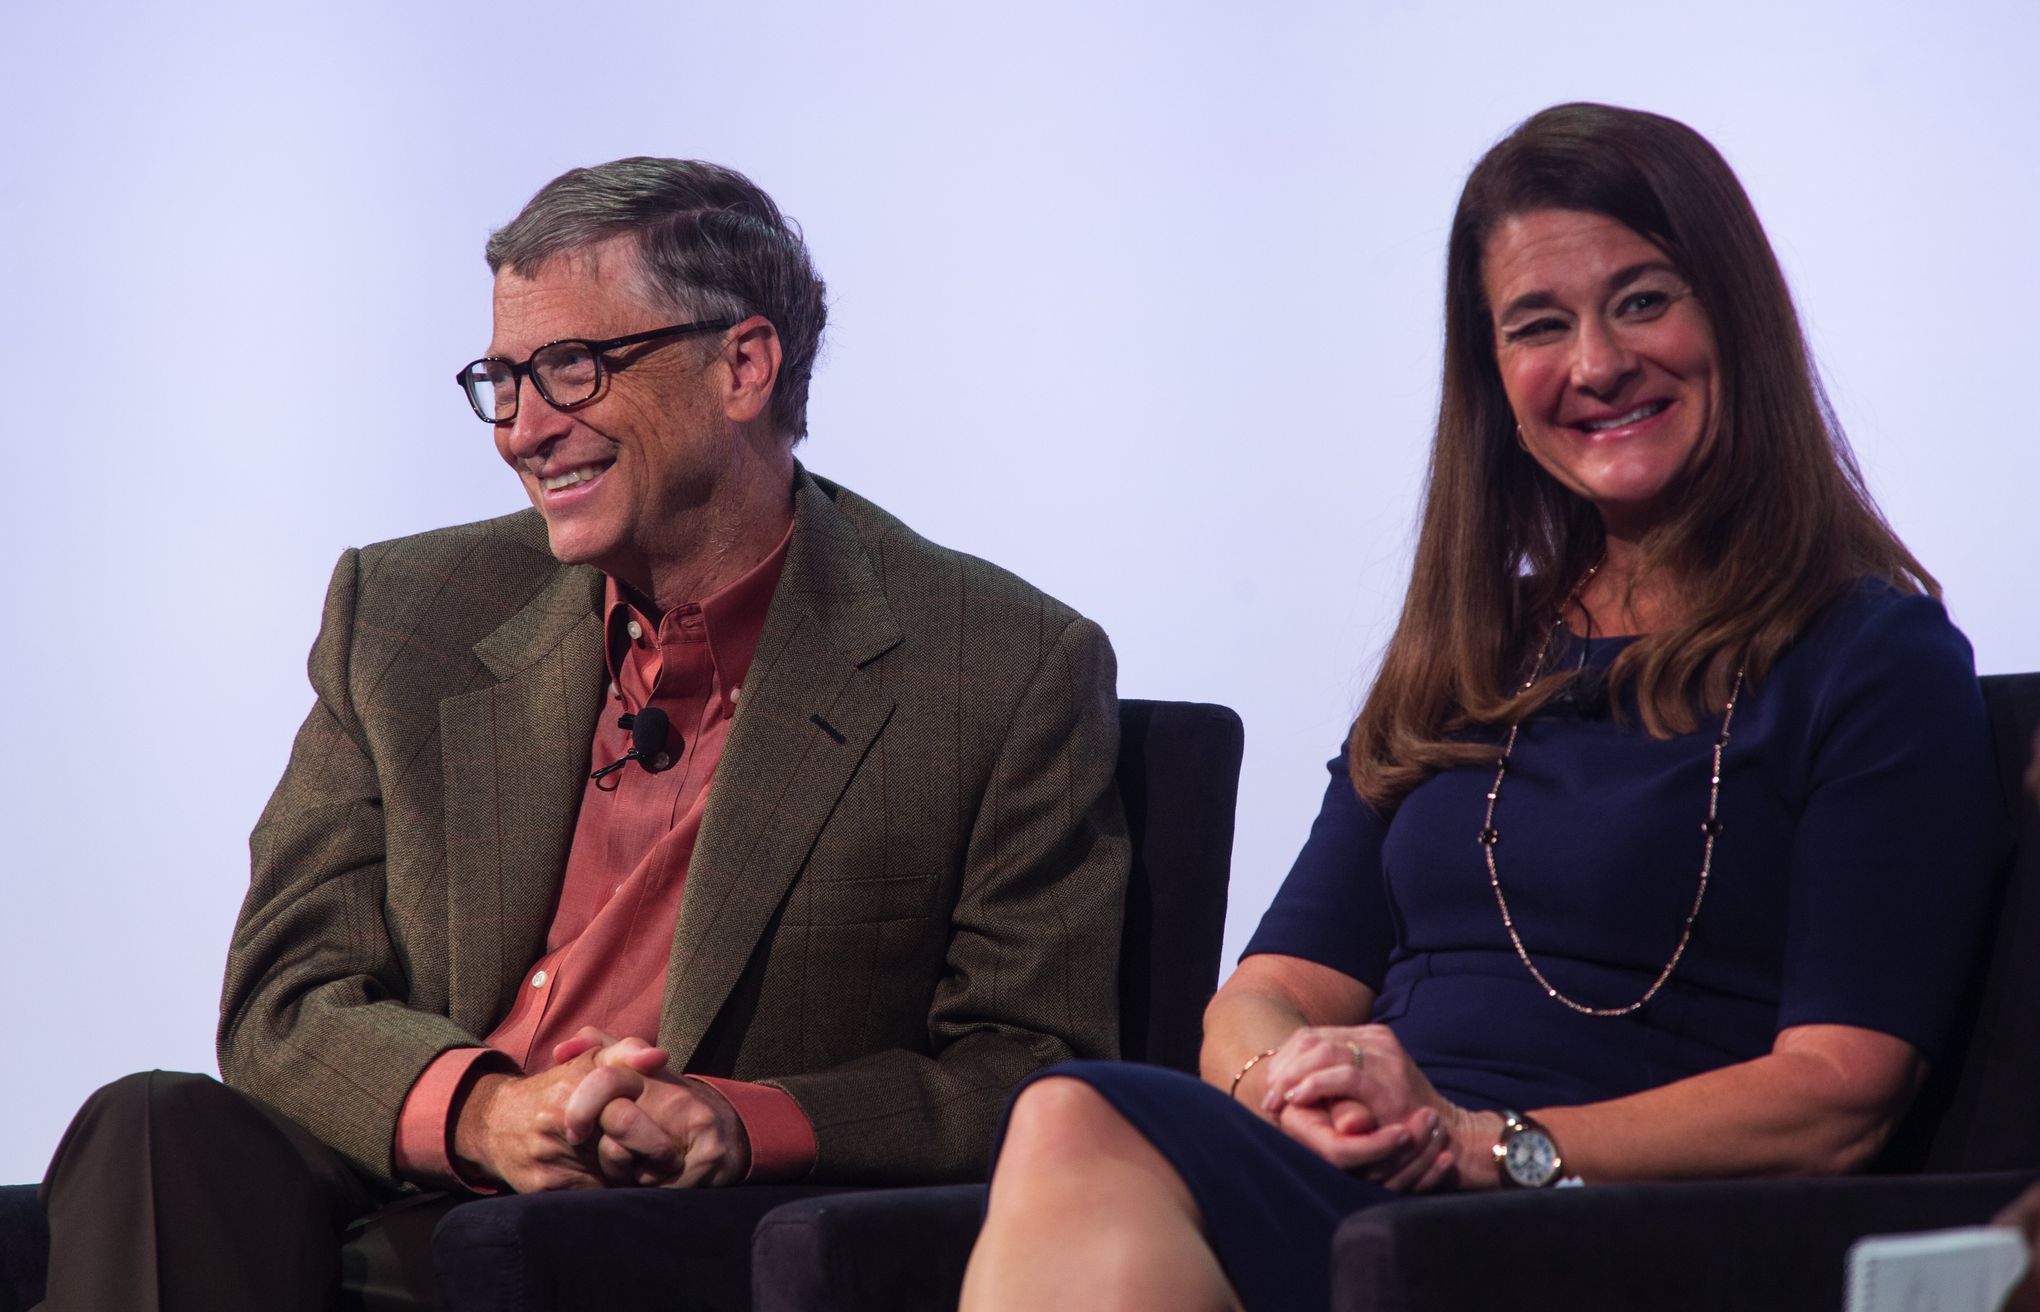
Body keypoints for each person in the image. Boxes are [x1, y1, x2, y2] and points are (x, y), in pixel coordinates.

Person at [960, 102, 2003, 1311]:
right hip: (1387, 1195)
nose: (1599, 363)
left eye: (1645, 299)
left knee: (1076, 1115)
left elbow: (1838, 1094)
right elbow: (1265, 992)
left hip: (1607, 1225)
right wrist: (1294, 1084)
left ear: (1737, 316)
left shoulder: (1873, 656)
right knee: (1077, 1122)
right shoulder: (1469, 651)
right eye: (1539, 325)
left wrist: (1482, 1141)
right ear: (1495, 378)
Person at [36, 157, 1127, 1309]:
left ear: (743, 366)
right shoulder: (405, 614)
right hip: (399, 1175)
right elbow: (287, 994)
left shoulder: (996, 665)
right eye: (502, 381)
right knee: (150, 1126)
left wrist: (740, 1120)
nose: (523, 432)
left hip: (665, 1236)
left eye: (573, 370)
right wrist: (484, 1111)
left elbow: (1029, 1062)